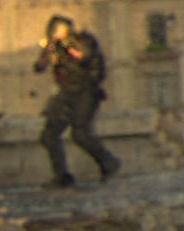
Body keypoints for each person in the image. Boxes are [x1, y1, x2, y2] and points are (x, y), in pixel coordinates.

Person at [34, 15, 120, 188]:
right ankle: (62, 175)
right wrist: (49, 52)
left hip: (86, 91)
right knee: (49, 135)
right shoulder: (53, 46)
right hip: (66, 92)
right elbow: (39, 67)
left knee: (80, 134)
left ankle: (109, 163)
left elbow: (83, 56)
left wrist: (66, 45)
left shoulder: (83, 40)